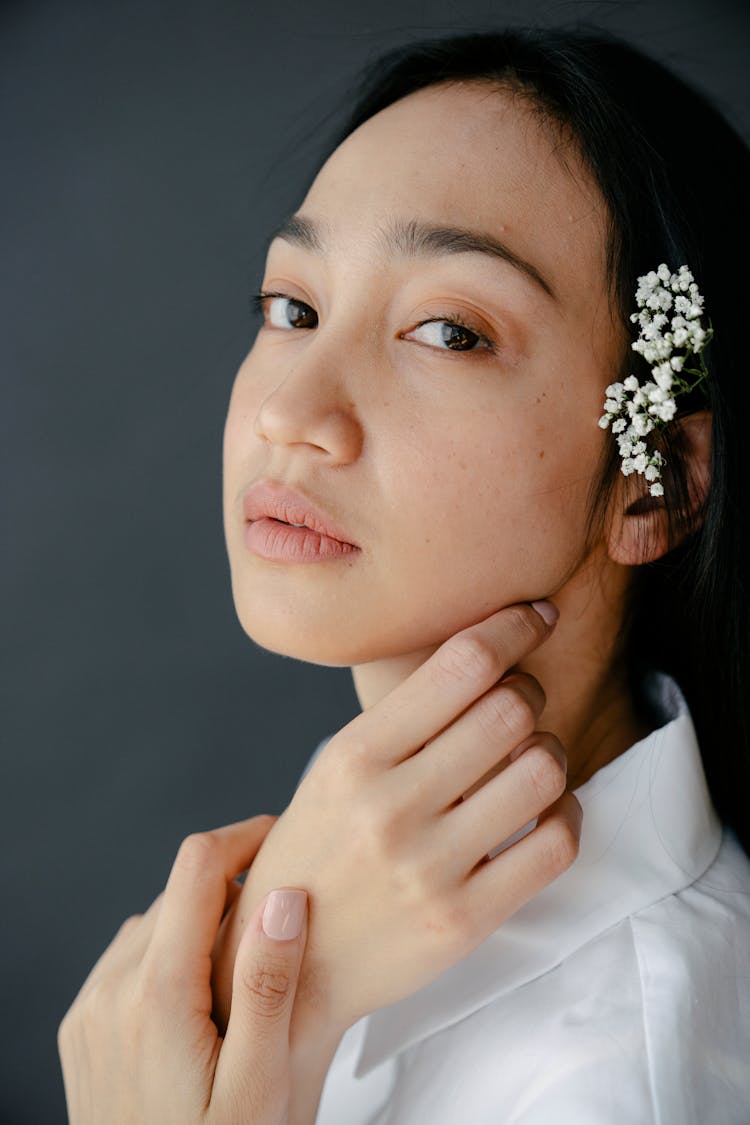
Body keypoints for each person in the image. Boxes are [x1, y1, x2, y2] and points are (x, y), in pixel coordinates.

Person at [59, 25, 750, 1125]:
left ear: (652, 485)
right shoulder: (330, 892)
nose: (290, 413)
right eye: (294, 309)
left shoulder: (628, 1079)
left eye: (446, 331)